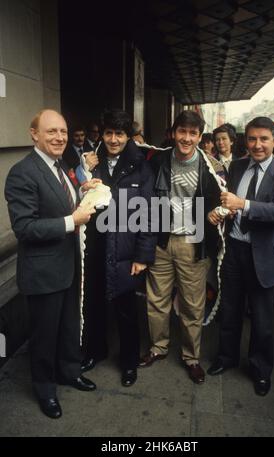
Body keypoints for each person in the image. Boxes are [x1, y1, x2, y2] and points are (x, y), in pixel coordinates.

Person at [4, 109, 100, 419]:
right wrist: (72, 220)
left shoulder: (63, 167)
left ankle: (69, 372)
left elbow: (59, 201)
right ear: (34, 134)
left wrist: (81, 192)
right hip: (43, 273)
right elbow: (26, 228)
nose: (59, 137)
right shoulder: (22, 172)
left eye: (63, 131)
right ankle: (45, 390)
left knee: (69, 327)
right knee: (44, 335)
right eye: (51, 132)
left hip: (69, 265)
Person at [207, 116, 274, 396]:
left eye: (263, 139)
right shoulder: (235, 167)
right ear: (244, 141)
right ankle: (226, 358)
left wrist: (243, 204)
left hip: (266, 255)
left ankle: (261, 371)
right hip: (235, 250)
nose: (257, 145)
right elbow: (226, 201)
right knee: (231, 311)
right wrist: (219, 212)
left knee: (261, 319)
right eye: (251, 139)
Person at [139, 110, 220, 384]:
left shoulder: (211, 167)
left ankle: (191, 357)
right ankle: (158, 347)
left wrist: (214, 214)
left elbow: (222, 201)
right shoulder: (158, 160)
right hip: (161, 242)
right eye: (182, 132)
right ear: (174, 133)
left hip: (193, 244)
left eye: (193, 133)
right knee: (156, 301)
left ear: (199, 136)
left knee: (192, 306)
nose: (186, 138)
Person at [80, 109, 156, 387]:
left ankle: (128, 362)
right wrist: (83, 172)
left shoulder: (141, 166)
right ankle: (95, 351)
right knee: (95, 304)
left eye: (119, 134)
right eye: (109, 133)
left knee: (126, 309)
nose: (113, 139)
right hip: (97, 246)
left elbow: (149, 213)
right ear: (102, 134)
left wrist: (143, 256)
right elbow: (76, 197)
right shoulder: (93, 162)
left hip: (126, 250)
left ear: (128, 136)